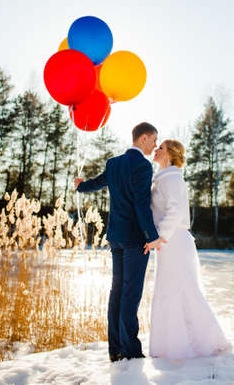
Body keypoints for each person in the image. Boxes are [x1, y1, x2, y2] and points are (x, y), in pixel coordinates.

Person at [74, 122, 166, 362]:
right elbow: (140, 204)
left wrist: (82, 186)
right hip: (135, 239)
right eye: (154, 139)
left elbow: (98, 182)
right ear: (143, 138)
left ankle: (115, 348)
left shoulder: (113, 163)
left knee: (117, 292)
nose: (156, 144)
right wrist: (152, 237)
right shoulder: (143, 166)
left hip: (115, 237)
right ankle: (131, 351)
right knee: (130, 293)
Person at [147, 139, 229, 360]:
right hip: (168, 243)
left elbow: (175, 212)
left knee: (183, 289)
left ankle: (204, 343)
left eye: (161, 148)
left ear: (171, 155)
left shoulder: (172, 179)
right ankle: (170, 346)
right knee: (169, 290)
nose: (156, 149)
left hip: (173, 241)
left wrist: (160, 236)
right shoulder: (162, 179)